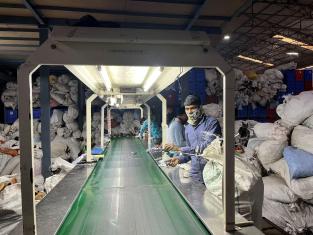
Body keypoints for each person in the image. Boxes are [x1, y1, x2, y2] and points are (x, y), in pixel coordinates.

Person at [164, 95, 221, 183]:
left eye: (193, 108)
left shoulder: (211, 123)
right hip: (195, 174)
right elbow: (190, 153)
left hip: (212, 173)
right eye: (187, 109)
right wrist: (179, 159)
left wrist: (179, 148)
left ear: (200, 108)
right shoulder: (188, 127)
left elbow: (208, 147)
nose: (189, 112)